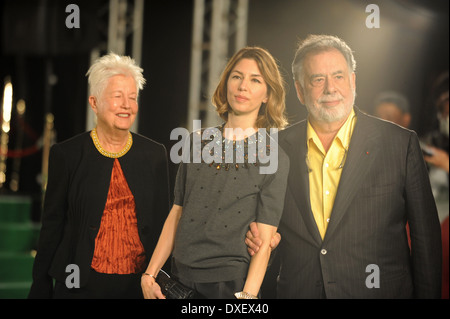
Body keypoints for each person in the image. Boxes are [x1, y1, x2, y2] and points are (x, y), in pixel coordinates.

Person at [246, 34, 442, 298]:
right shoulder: (273, 148)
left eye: (338, 76)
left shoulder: (400, 144)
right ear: (300, 91)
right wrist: (257, 239)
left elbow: (426, 244)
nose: (330, 88)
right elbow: (259, 230)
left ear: (353, 81)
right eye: (318, 79)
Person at [141, 47, 289, 299]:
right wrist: (150, 274)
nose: (243, 86)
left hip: (230, 284)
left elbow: (263, 243)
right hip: (179, 277)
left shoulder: (273, 156)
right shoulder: (195, 142)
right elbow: (177, 213)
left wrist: (247, 298)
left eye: (255, 80)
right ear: (226, 82)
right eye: (237, 76)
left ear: (267, 95)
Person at [28, 53, 170, 298]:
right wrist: (40, 285)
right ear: (94, 102)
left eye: (132, 98)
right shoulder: (67, 154)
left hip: (138, 287)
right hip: (79, 286)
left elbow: (163, 225)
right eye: (117, 97)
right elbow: (52, 224)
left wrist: (162, 280)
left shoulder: (155, 154)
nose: (127, 105)